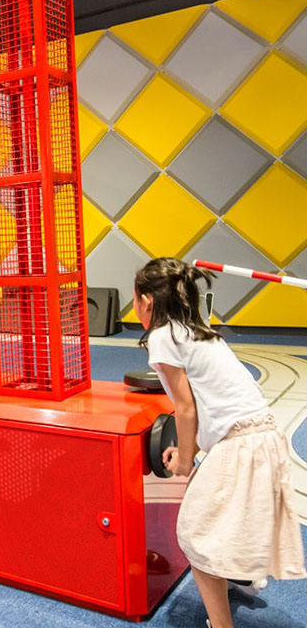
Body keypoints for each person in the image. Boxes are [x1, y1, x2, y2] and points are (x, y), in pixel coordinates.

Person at [133, 257, 305, 628]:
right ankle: (243, 576)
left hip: (242, 443)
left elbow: (186, 408)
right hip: (260, 435)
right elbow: (211, 405)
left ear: (146, 301)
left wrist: (181, 463)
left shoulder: (162, 337)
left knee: (195, 534)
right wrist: (188, 451)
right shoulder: (195, 329)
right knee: (220, 510)